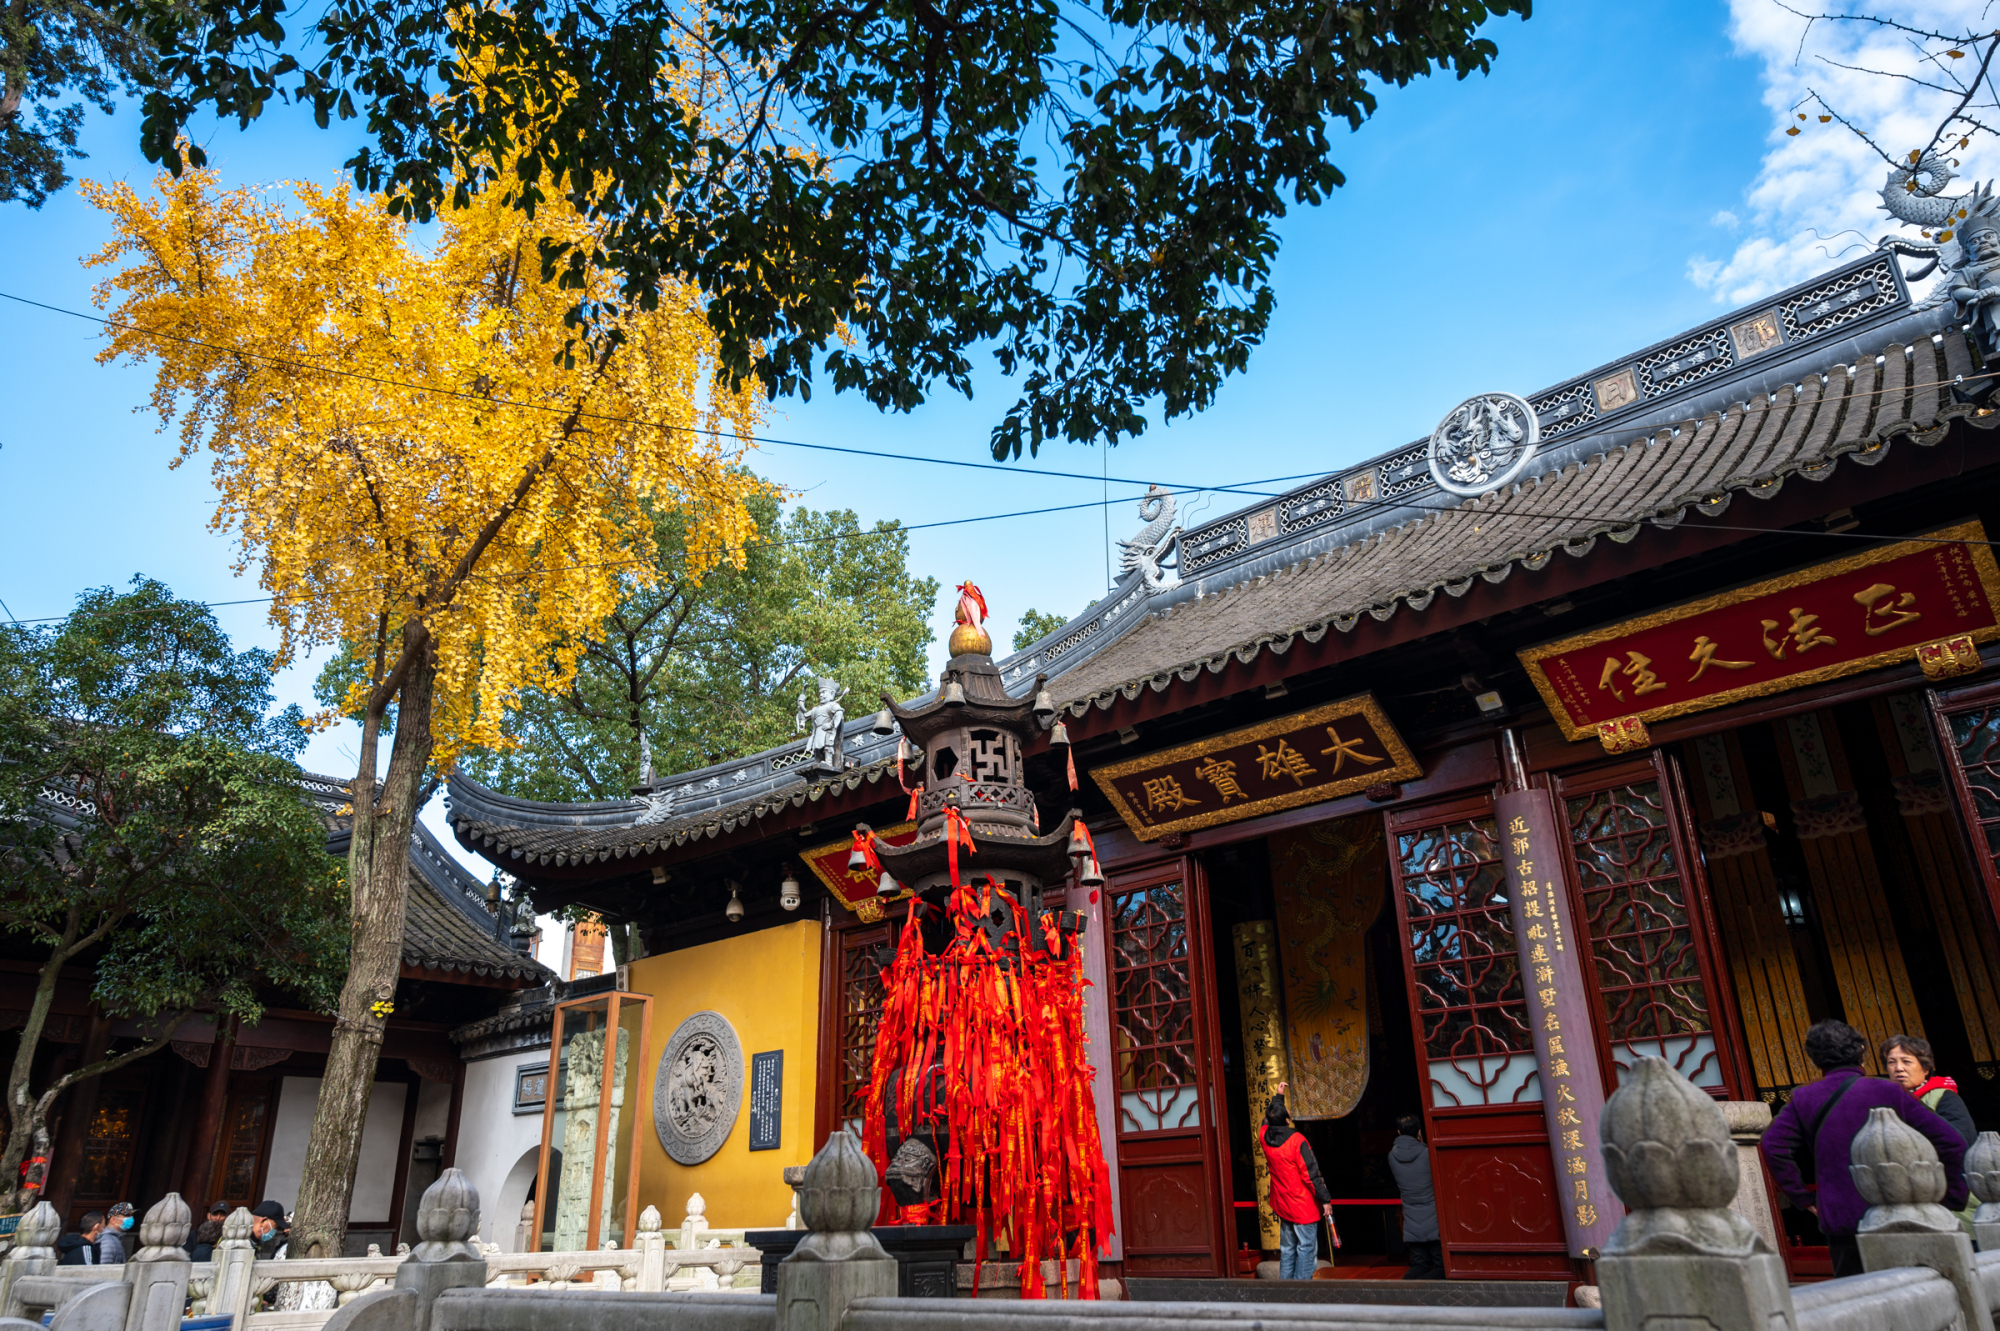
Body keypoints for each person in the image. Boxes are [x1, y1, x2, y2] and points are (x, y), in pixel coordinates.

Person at [1762, 1019, 1968, 1278]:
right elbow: (1952, 1141)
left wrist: (1802, 1198)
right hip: (1898, 1216)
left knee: (1855, 1293)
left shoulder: (1805, 1097)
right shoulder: (1888, 1091)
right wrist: (1950, 1197)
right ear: (1861, 1050)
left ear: (1814, 1058)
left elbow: (1772, 1144)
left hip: (1841, 1218)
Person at [1258, 1081, 1334, 1280]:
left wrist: (1278, 1098)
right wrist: (1325, 1199)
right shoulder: (1297, 1140)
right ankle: (1301, 1295)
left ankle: (1285, 1294)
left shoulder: (1264, 1136)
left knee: (1288, 1249)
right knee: (1306, 1250)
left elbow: (1266, 1121)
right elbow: (1311, 1174)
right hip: (1302, 1206)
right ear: (1287, 1119)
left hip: (1283, 1203)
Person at [1881, 1035, 1977, 1144]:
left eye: (1906, 1061)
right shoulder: (1881, 1100)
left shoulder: (1944, 1097)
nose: (1898, 1068)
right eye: (1891, 1062)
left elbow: (1963, 1139)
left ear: (1926, 1068)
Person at [1387, 1113, 1444, 1280]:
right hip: (1434, 1221)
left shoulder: (1392, 1157)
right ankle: (1422, 1286)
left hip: (1411, 1220)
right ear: (1419, 1131)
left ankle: (1409, 1287)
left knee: (1419, 1265)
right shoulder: (1428, 1153)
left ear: (1398, 1132)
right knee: (1443, 1267)